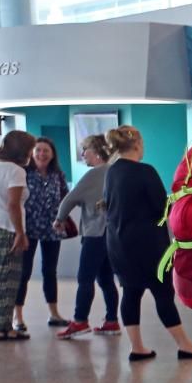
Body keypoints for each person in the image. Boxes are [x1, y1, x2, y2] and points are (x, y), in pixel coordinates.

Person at [103, 125, 192, 362]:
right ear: (137, 144)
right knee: (163, 292)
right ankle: (184, 345)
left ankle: (137, 347)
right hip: (148, 244)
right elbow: (161, 209)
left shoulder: (112, 172)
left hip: (118, 242)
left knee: (130, 293)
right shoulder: (145, 171)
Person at [54, 134, 120, 339]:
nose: (83, 154)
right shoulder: (116, 171)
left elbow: (69, 199)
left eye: (86, 150)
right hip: (111, 235)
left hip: (95, 235)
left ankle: (80, 320)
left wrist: (59, 219)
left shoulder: (95, 174)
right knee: (107, 280)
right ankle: (112, 321)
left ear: (97, 151)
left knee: (85, 278)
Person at [14, 137, 70, 330]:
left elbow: (65, 198)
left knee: (49, 271)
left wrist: (62, 218)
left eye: (46, 150)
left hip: (52, 227)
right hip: (27, 227)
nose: (41, 154)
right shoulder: (23, 173)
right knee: (24, 272)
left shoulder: (57, 175)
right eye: (38, 150)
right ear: (31, 153)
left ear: (52, 154)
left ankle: (54, 314)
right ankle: (18, 317)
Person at [0, 130, 35, 341]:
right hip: (8, 228)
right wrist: (20, 233)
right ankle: (4, 327)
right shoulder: (15, 171)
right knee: (8, 279)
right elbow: (13, 204)